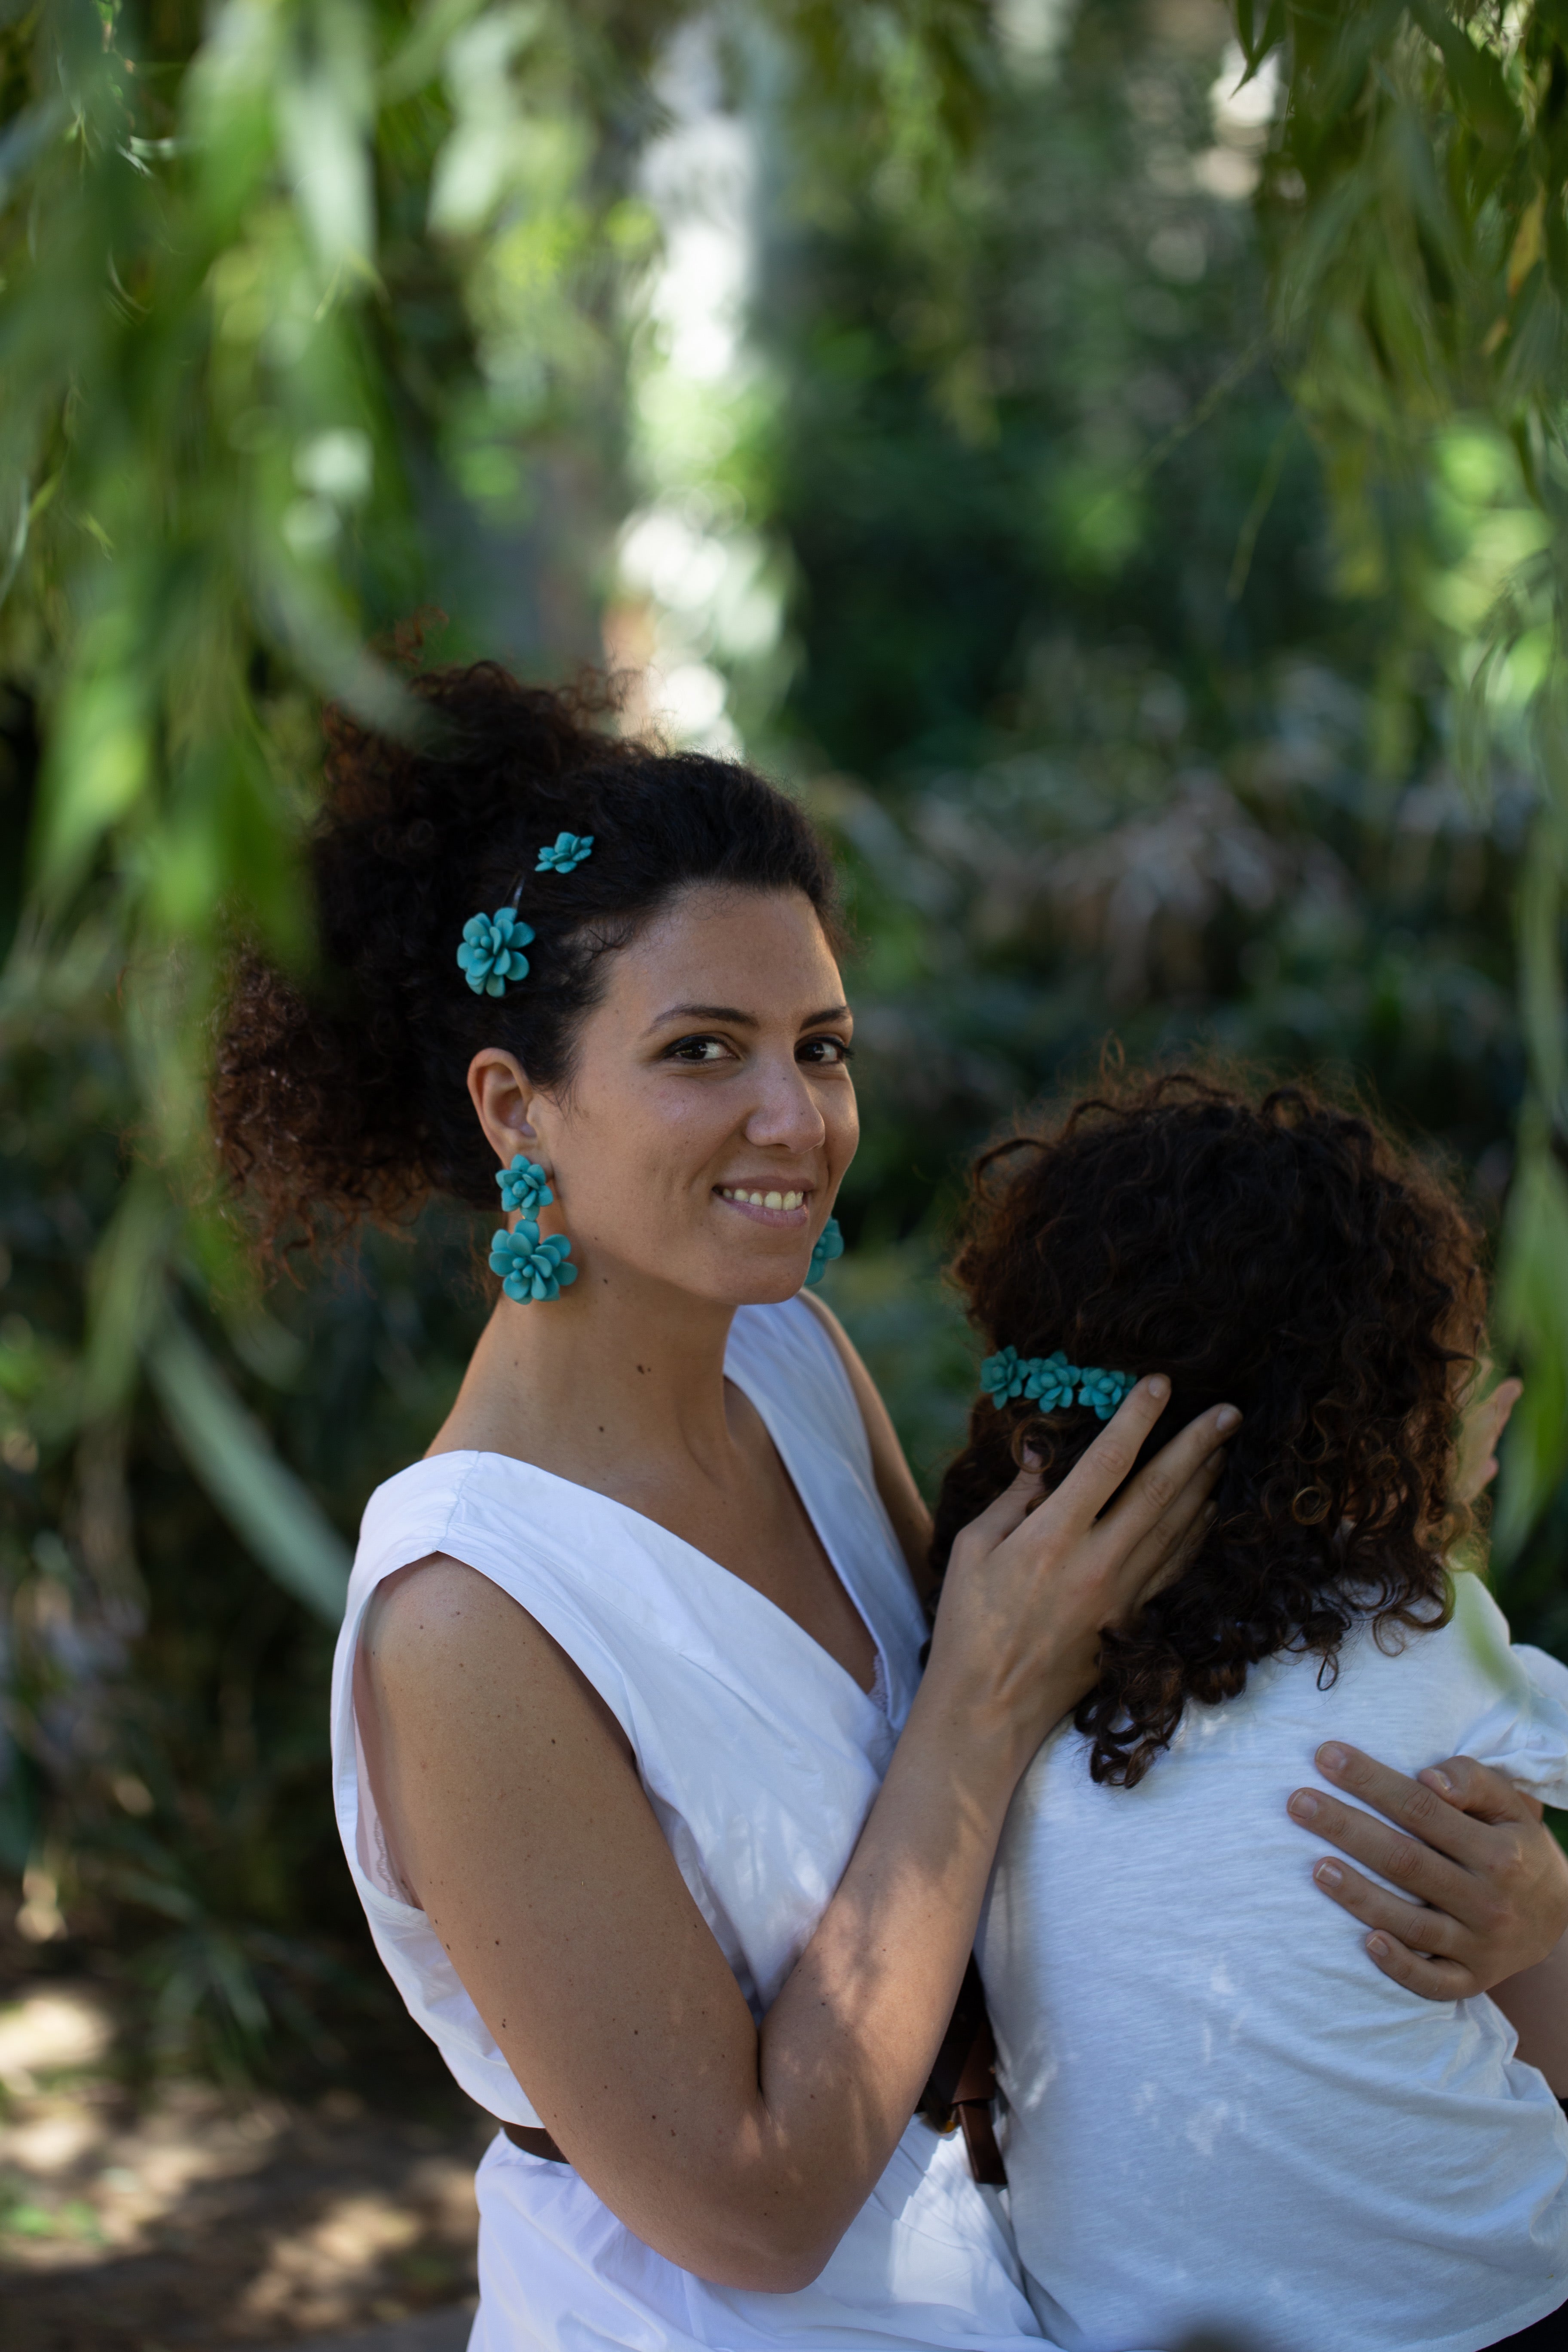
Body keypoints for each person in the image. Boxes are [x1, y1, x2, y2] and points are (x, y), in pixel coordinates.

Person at [213, 666, 1568, 2352]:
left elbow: (1078, 1760)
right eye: (702, 1051)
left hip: (1010, 2290)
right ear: (516, 1107)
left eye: (821, 1048)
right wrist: (985, 1700)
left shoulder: (782, 1352)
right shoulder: (471, 1616)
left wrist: (1505, 1892)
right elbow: (749, 2203)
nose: (797, 1121)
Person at [933, 1072, 1568, 2352]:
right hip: (1489, 2299)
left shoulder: (977, 1650)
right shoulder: (1426, 1634)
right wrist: (1426, 1536)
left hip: (1122, 2321)